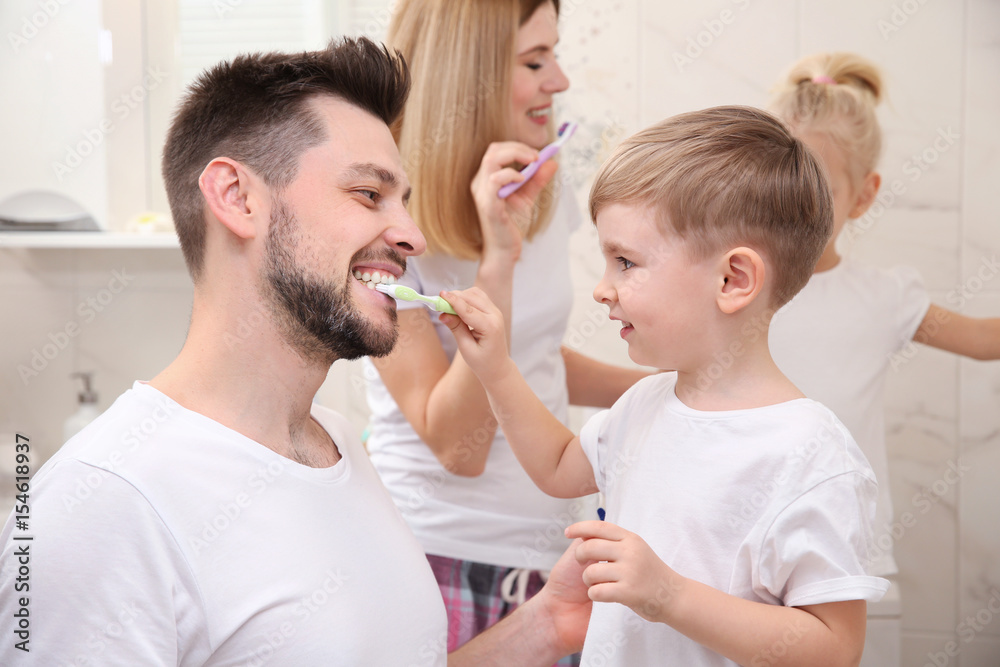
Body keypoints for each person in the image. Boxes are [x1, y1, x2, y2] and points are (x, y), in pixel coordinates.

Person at [0, 38, 592, 666]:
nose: (411, 236)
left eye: (404, 203)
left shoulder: (337, 449)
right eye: (369, 193)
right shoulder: (100, 506)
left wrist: (547, 624)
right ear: (237, 196)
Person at [437, 106, 890, 665]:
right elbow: (557, 466)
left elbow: (835, 647)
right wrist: (496, 369)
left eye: (625, 262)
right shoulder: (646, 403)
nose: (602, 290)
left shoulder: (810, 454)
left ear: (732, 280)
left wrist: (669, 595)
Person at [363, 0, 648, 654]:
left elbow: (533, 354)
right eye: (534, 61)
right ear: (469, 76)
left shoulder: (540, 188)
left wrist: (675, 384)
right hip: (447, 557)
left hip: (552, 553)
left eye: (555, 53)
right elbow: (458, 444)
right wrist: (497, 259)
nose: (560, 80)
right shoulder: (384, 232)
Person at [767, 52, 1000, 578]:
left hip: (841, 549)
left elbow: (984, 340)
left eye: (818, 190)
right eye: (778, 181)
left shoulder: (883, 298)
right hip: (740, 540)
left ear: (862, 195)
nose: (792, 207)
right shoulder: (730, 286)